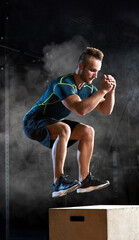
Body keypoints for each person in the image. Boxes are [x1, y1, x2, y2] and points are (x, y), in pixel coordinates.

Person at [23, 47, 116, 198]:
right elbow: (81, 110)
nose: (95, 75)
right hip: (33, 122)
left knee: (88, 132)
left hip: (52, 122)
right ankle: (57, 183)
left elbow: (106, 110)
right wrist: (102, 91)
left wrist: (111, 91)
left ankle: (85, 180)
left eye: (98, 71)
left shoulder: (88, 88)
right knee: (64, 129)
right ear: (80, 66)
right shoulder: (63, 83)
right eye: (92, 70)